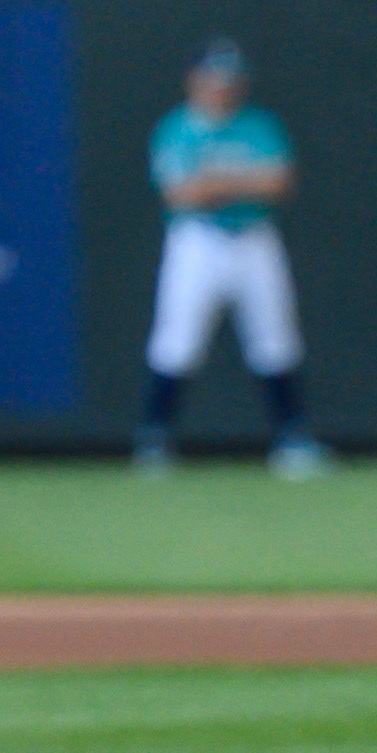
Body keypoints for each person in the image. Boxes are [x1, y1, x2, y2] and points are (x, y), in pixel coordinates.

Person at [136, 42, 327, 477]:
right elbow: (181, 193)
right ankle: (155, 439)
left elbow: (278, 182)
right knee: (177, 340)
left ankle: (293, 439)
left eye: (229, 81)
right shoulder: (178, 127)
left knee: (275, 337)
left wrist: (217, 182)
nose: (222, 89)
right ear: (195, 80)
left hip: (254, 238)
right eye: (214, 79)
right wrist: (242, 182)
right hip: (196, 240)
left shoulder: (258, 125)